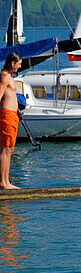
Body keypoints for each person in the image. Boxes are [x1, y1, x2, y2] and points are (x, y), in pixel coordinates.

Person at [0, 53, 23, 190]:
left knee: (10, 149)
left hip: (13, 115)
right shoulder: (4, 76)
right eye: (18, 64)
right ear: (12, 63)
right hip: (6, 115)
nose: (19, 66)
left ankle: (6, 181)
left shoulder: (10, 77)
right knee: (5, 149)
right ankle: (3, 183)